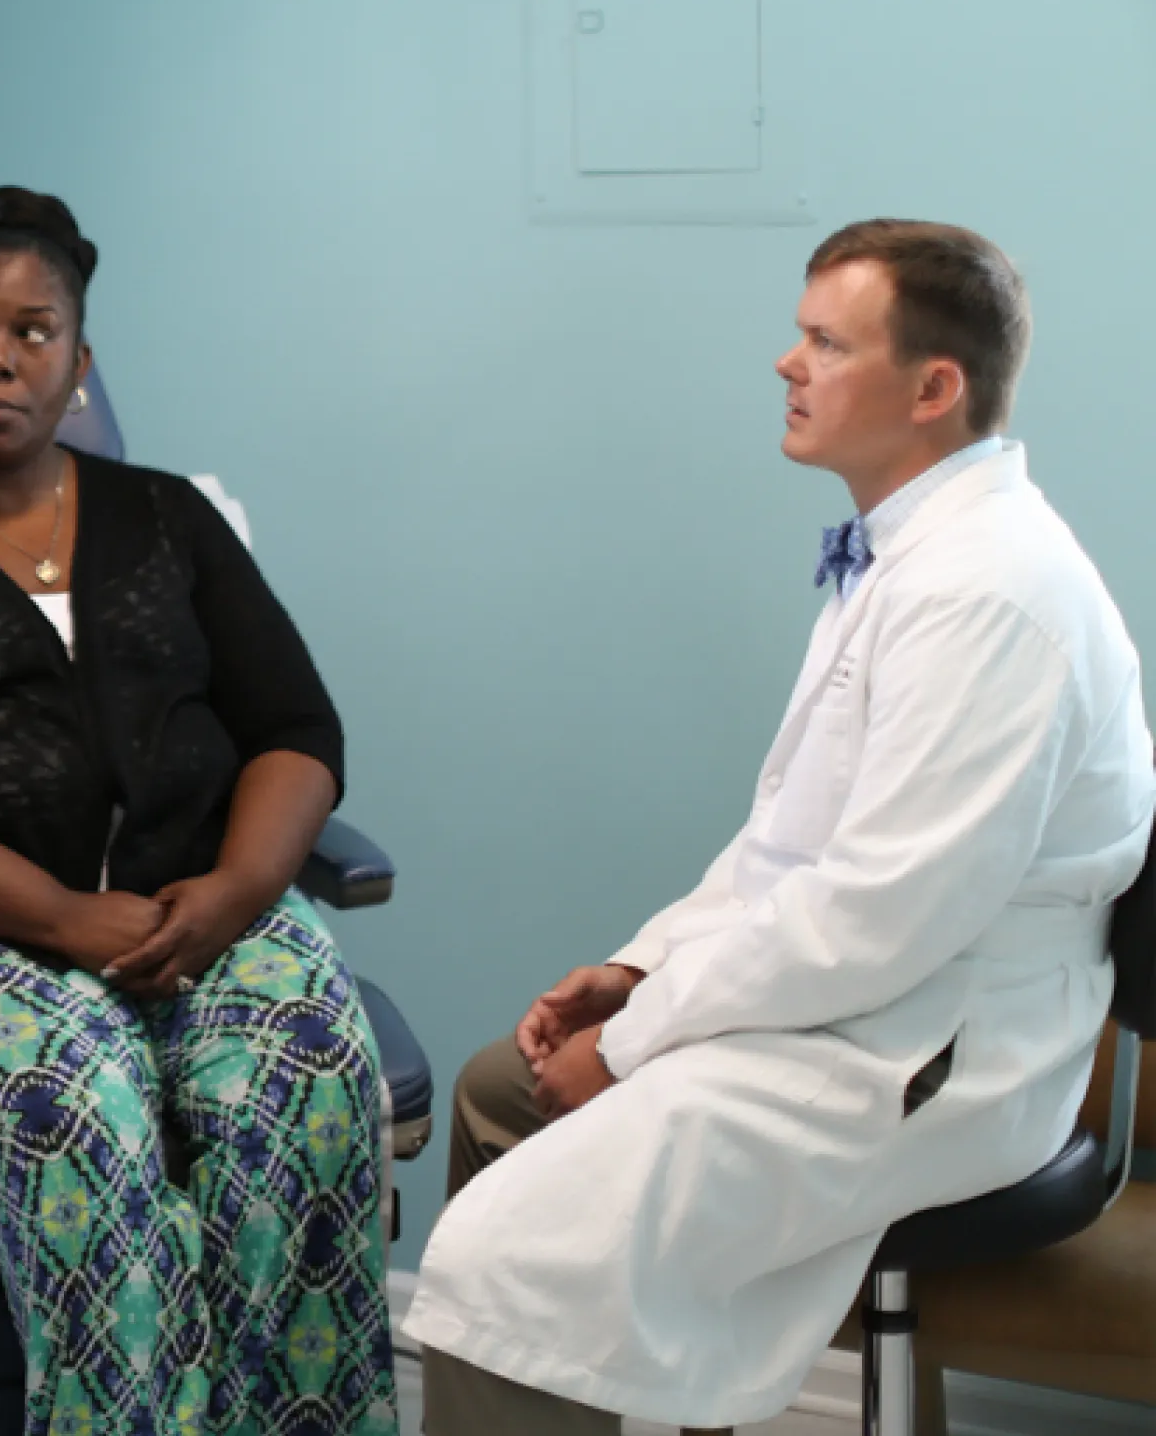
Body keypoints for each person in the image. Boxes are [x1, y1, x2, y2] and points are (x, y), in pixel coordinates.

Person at [407, 220, 1156, 1435]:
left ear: (932, 388)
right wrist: (640, 967)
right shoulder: (907, 556)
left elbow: (874, 917)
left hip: (930, 1054)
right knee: (509, 1089)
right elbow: (784, 848)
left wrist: (645, 1035)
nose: (784, 364)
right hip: (874, 1000)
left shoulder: (993, 596)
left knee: (504, 1261)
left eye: (822, 341)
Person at [0, 187, 400, 1436]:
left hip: (194, 912)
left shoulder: (168, 516)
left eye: (33, 330)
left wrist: (237, 893)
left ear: (79, 362)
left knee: (306, 1077)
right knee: (77, 1108)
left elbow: (295, 730)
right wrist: (60, 918)